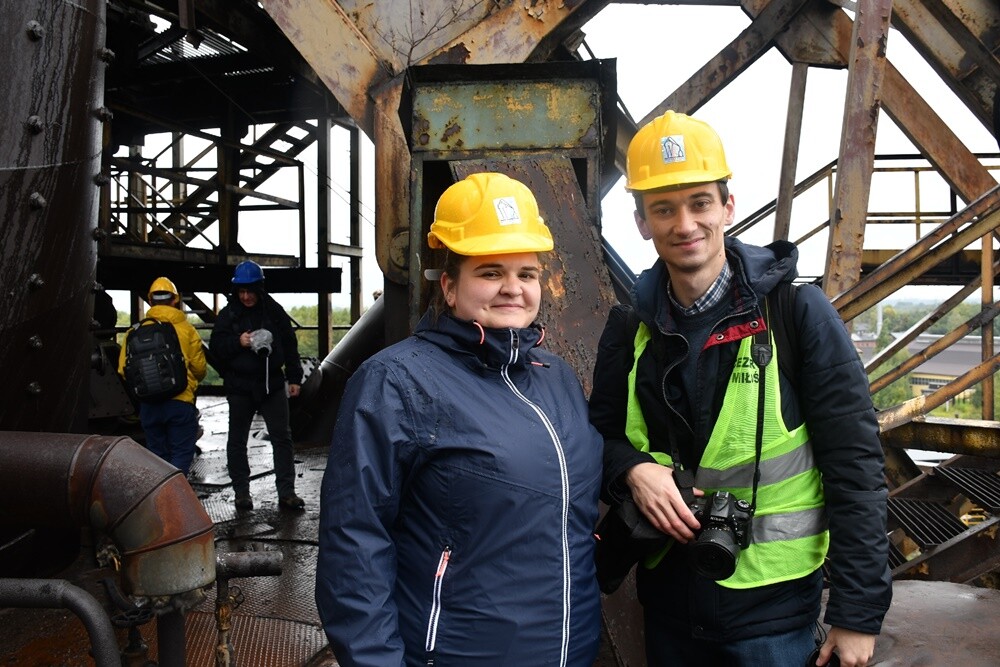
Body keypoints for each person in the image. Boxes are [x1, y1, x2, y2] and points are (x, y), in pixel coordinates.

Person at [589, 111, 892, 667]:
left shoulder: (797, 316)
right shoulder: (629, 327)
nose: (685, 224)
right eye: (664, 208)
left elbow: (855, 466)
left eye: (700, 203)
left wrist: (857, 614)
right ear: (641, 222)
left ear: (727, 207)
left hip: (772, 617)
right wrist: (633, 470)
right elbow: (599, 438)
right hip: (670, 605)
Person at [315, 172, 604, 666]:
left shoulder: (555, 376)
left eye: (526, 274)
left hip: (568, 650)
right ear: (449, 286)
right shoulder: (396, 381)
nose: (513, 289)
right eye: (490, 272)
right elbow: (354, 546)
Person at [210, 260, 305, 511]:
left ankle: (287, 493)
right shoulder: (228, 315)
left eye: (250, 291)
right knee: (237, 441)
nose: (246, 296)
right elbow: (216, 348)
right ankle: (242, 493)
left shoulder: (273, 311)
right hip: (240, 388)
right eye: (241, 292)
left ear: (259, 289)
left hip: (272, 384)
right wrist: (237, 342)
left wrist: (294, 378)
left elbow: (289, 342)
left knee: (282, 438)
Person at [118, 277, 206, 474]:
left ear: (150, 301)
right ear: (175, 300)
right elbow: (200, 369)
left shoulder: (134, 331)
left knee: (157, 456)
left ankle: (160, 498)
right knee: (182, 453)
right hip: (180, 401)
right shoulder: (186, 329)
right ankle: (175, 499)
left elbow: (123, 369)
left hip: (149, 405)